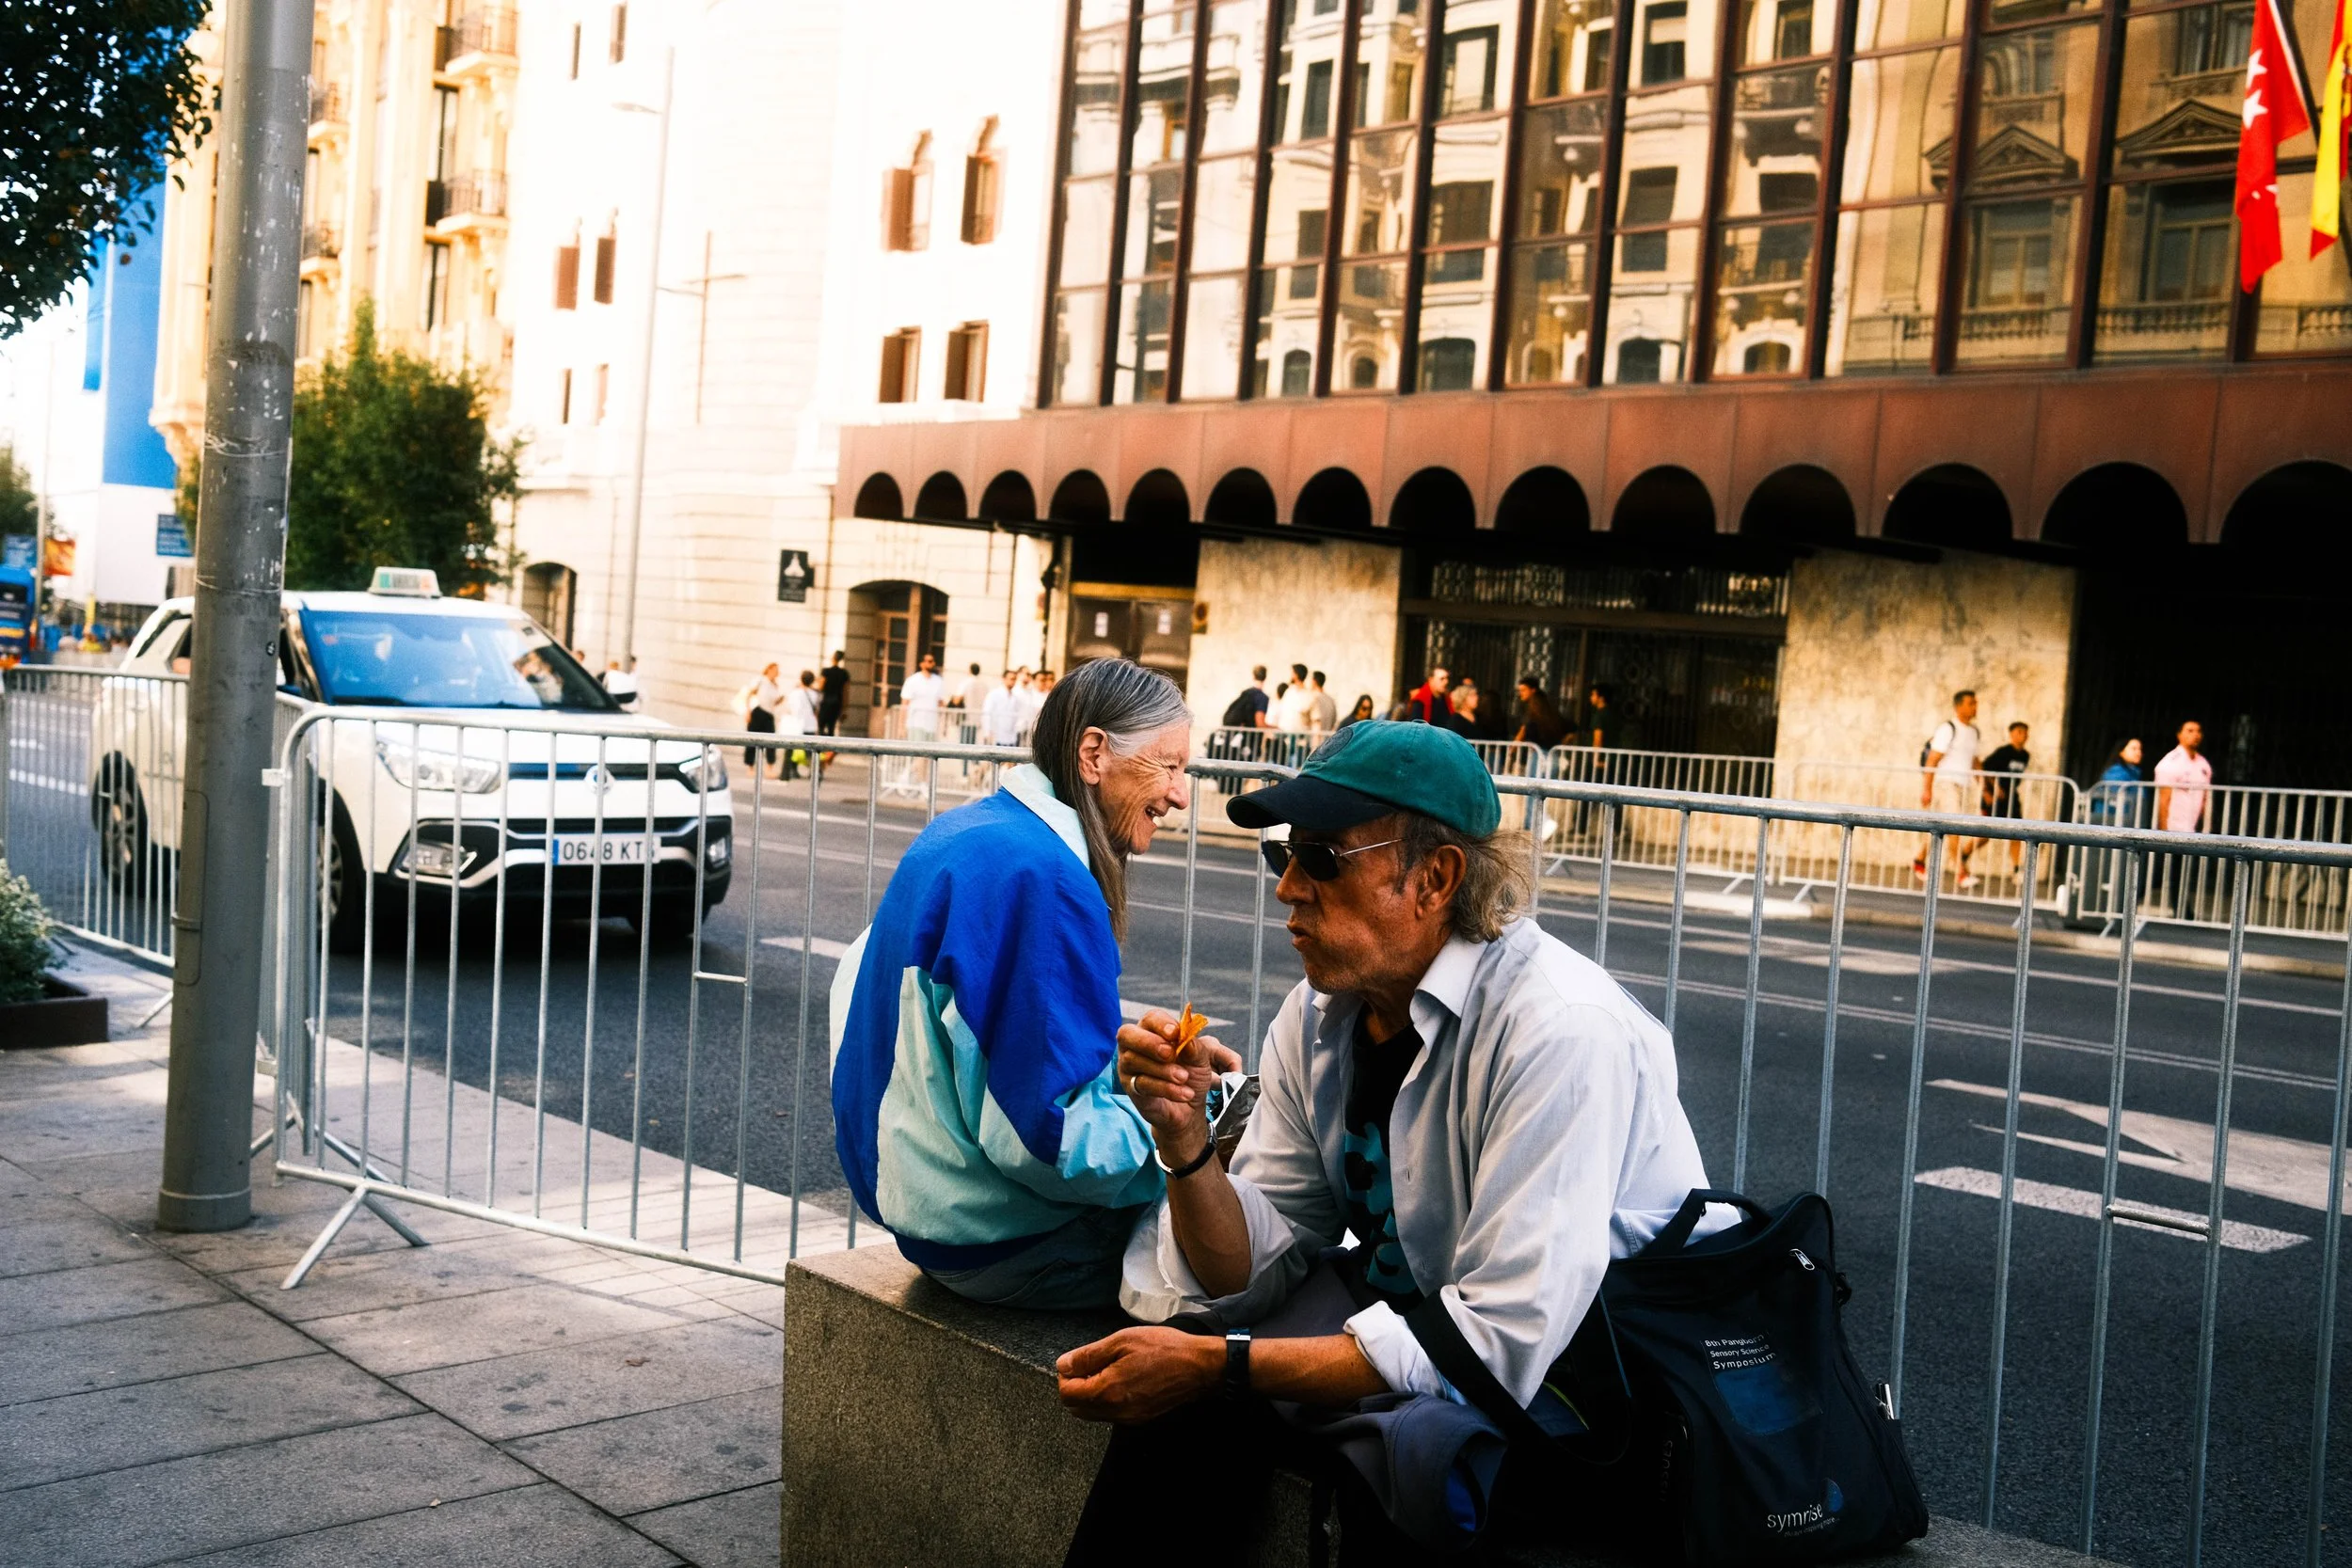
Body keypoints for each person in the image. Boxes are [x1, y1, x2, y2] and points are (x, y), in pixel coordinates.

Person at [1057, 721, 1718, 1565]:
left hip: (1598, 1373)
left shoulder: (1558, 1031)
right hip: (1441, 1320)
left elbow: (1495, 1344)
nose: (1288, 886)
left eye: (1323, 857)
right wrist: (1187, 1144)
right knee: (1184, 1391)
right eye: (1284, 854)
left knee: (1413, 1469)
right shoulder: (1321, 1013)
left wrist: (1218, 1363)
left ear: (1435, 879)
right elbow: (1243, 1271)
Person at [831, 659, 1217, 1310]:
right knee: (1244, 1265)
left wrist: (1126, 1076)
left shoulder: (973, 831)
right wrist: (1187, 1135)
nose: (1181, 795)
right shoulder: (1044, 880)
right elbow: (1044, 1140)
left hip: (930, 1217)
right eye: (1169, 766)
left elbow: (967, 1047)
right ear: (1094, 754)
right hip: (1004, 1245)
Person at [1915, 689, 1984, 890]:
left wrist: (1986, 787)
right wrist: (1926, 789)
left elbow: (1975, 761)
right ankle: (1960, 872)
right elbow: (1933, 759)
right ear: (1959, 706)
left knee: (1939, 828)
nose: (1975, 707)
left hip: (1964, 786)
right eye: (1971, 703)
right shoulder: (1948, 729)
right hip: (1946, 784)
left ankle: (1919, 860)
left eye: (1976, 703)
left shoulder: (1973, 732)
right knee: (1954, 826)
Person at [1979, 721, 2032, 871]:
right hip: (1994, 798)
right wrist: (1992, 789)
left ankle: (2016, 867)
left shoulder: (2025, 755)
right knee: (1984, 834)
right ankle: (1964, 854)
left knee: (2017, 832)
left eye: (2026, 732)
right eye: (2020, 732)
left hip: (2011, 797)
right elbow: (1985, 768)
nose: (2024, 735)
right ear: (2012, 734)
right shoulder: (2003, 752)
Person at [2153, 720, 2213, 834]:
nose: (2196, 735)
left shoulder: (2204, 764)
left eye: (2198, 731)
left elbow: (2205, 799)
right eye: (2190, 731)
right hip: (2173, 829)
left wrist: (2206, 828)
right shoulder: (2170, 762)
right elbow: (2163, 800)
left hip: (2193, 829)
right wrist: (2163, 832)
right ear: (2179, 735)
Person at [738, 661, 787, 774]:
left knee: (771, 741)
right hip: (757, 712)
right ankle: (750, 767)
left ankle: (769, 767)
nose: (776, 673)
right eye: (775, 670)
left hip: (769, 714)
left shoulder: (774, 685)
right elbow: (749, 694)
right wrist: (747, 711)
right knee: (752, 740)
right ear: (769, 670)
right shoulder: (760, 680)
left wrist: (780, 700)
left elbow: (773, 703)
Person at [1218, 666, 1277, 752]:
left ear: (1253, 676)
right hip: (1250, 742)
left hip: (1236, 738)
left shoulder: (1245, 693)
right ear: (1265, 677)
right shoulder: (1262, 697)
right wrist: (1276, 728)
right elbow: (1260, 723)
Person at [780, 669, 823, 781]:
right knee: (810, 751)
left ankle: (785, 774)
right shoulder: (815, 694)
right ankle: (816, 772)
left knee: (789, 750)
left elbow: (793, 709)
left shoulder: (795, 693)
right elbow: (817, 710)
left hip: (797, 724)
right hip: (810, 724)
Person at [1512, 676, 1566, 752]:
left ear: (1533, 690)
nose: (1520, 694)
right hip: (1547, 752)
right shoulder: (1544, 705)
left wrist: (1512, 750)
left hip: (1540, 752)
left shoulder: (1535, 707)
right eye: (1520, 691)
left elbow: (1523, 730)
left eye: (1523, 690)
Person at [901, 652, 946, 742]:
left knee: (929, 753)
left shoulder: (938, 681)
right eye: (929, 661)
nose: (932, 664)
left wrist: (944, 725)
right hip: (916, 723)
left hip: (932, 724)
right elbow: (904, 703)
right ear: (921, 664)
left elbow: (941, 703)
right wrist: (901, 726)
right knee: (916, 752)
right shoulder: (912, 680)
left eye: (933, 661)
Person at [982, 667, 1024, 746]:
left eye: (1015, 679)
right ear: (1004, 679)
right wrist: (987, 732)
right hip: (996, 735)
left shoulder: (1015, 698)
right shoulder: (994, 694)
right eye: (1011, 679)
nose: (1013, 682)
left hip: (1011, 737)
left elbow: (1018, 716)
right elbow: (987, 714)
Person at [958, 660, 994, 736]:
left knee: (964, 742)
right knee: (972, 742)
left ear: (970, 670)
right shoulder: (984, 685)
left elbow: (958, 698)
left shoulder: (966, 682)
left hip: (966, 718)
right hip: (978, 717)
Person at [818, 651, 850, 736]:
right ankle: (830, 749)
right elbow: (845, 692)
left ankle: (820, 748)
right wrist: (844, 709)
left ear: (833, 658)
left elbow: (820, 687)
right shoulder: (844, 673)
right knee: (831, 728)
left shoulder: (826, 671)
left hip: (826, 702)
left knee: (821, 727)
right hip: (837, 703)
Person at [1276, 662, 1315, 731]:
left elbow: (1304, 711)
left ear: (1296, 675)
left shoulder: (1307, 694)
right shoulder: (1289, 691)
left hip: (1298, 734)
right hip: (1284, 732)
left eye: (1292, 673)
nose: (1291, 675)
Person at [1306, 671, 1338, 738]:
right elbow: (1334, 720)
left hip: (1315, 738)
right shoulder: (1331, 700)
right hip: (1327, 738)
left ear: (1314, 681)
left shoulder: (1312, 697)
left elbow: (1306, 717)